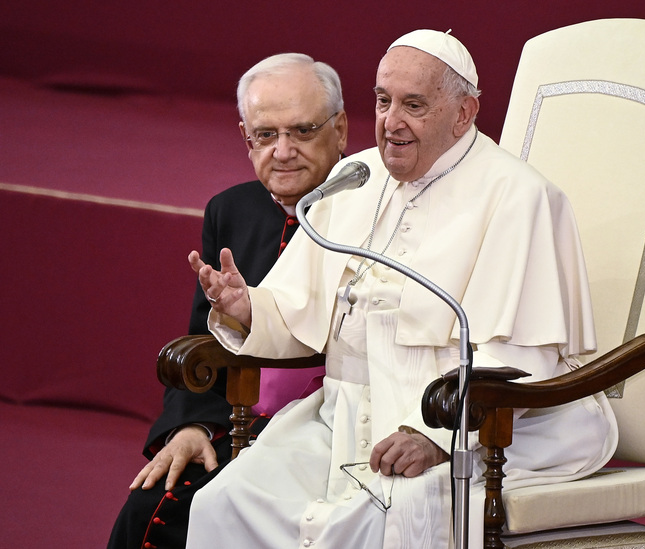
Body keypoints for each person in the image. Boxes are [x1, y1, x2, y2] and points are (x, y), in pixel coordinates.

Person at [186, 30, 618, 549]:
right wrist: (248, 309)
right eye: (384, 100)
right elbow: (298, 314)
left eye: (413, 105)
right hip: (341, 418)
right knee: (223, 502)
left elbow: (522, 353)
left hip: (470, 431)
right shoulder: (357, 176)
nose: (391, 122)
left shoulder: (520, 197)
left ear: (463, 113)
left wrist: (436, 436)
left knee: (362, 524)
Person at [107, 52, 348, 549]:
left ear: (340, 130)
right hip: (239, 424)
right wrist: (193, 425)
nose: (282, 151)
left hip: (330, 434)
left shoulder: (371, 210)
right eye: (265, 135)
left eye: (302, 131)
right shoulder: (231, 209)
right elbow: (204, 339)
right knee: (148, 509)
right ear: (246, 137)